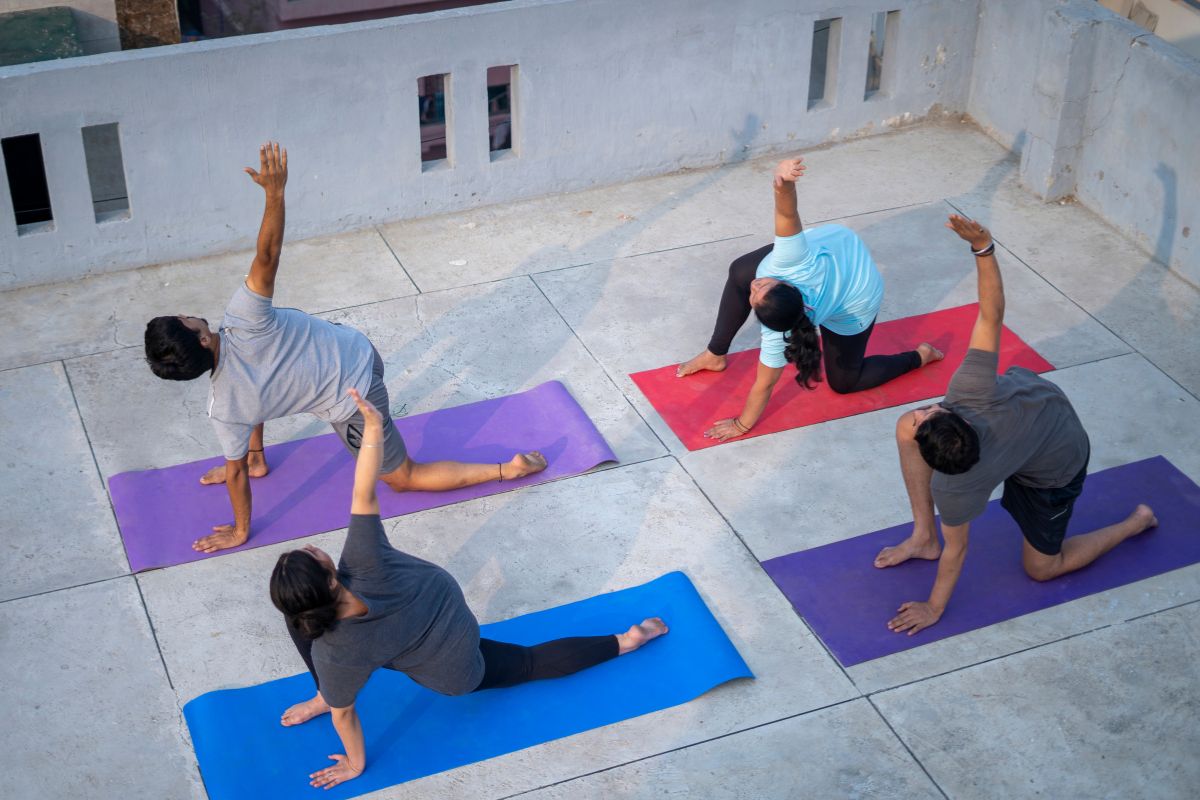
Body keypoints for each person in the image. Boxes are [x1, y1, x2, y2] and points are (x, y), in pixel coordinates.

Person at [143, 143, 547, 554]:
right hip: (353, 349)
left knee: (401, 479)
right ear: (202, 338)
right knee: (255, 385)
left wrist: (240, 528)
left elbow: (234, 474)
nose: (188, 314)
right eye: (185, 320)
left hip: (356, 392)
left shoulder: (225, 408)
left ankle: (507, 469)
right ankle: (258, 456)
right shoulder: (243, 319)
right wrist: (275, 193)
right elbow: (267, 254)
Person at [270, 388, 668, 790]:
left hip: (455, 667)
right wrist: (373, 428)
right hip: (442, 607)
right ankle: (628, 638)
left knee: (528, 664)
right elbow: (364, 488)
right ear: (331, 577)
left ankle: (624, 643)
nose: (311, 548)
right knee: (299, 621)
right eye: (310, 556)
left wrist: (355, 764)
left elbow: (346, 716)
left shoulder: (339, 651)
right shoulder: (361, 557)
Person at [874, 214, 1158, 635]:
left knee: (1043, 568)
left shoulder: (957, 469)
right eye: (929, 413)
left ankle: (1138, 522)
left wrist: (934, 607)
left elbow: (960, 549)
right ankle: (922, 537)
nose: (927, 406)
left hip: (1057, 455)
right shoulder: (964, 419)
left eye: (929, 410)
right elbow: (991, 315)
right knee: (902, 425)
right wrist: (983, 246)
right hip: (1030, 409)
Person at [676, 156, 944, 442]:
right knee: (741, 271)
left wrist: (742, 425)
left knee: (844, 382)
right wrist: (784, 183)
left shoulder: (784, 294)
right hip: (835, 249)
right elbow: (787, 215)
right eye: (759, 290)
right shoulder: (787, 269)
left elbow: (764, 385)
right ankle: (716, 354)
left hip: (857, 292)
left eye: (758, 291)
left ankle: (921, 356)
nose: (756, 285)